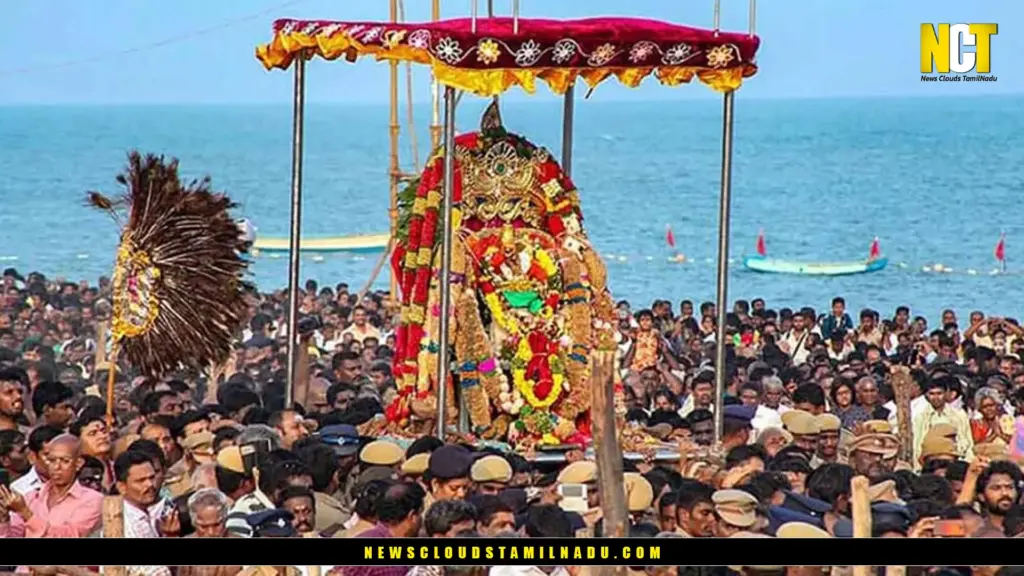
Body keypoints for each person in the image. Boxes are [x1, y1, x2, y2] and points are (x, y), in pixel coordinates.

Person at [0, 434, 103, 537]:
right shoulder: (31, 497)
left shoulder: (92, 500)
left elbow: (70, 535)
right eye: (51, 460)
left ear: (78, 463)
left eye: (65, 461)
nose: (56, 467)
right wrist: (4, 519)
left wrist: (26, 513)